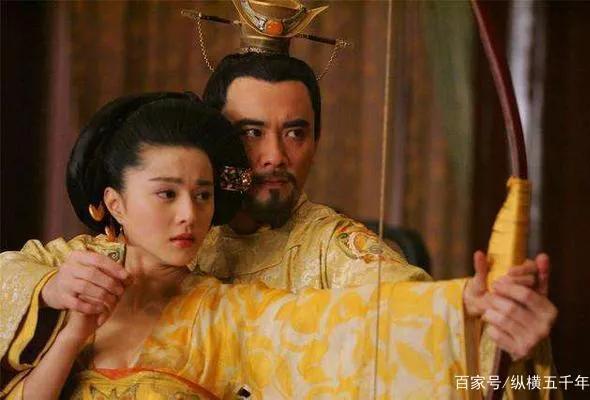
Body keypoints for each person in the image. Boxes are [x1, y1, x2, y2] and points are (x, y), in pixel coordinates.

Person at [1, 2, 557, 397]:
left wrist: (490, 327)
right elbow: (18, 273)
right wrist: (54, 292)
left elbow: (402, 322)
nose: (272, 156)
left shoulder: (337, 251)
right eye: (249, 132)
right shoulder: (131, 245)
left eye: (295, 132)